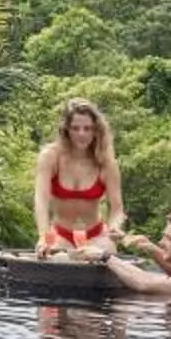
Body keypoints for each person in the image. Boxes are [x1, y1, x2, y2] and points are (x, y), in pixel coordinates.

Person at [33, 97, 124, 259]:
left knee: (107, 256)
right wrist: (43, 236)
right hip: (60, 234)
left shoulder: (106, 163)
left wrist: (115, 227)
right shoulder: (51, 156)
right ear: (66, 129)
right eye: (75, 128)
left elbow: (117, 209)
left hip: (96, 236)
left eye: (87, 128)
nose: (81, 134)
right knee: (54, 258)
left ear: (96, 130)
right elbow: (41, 200)